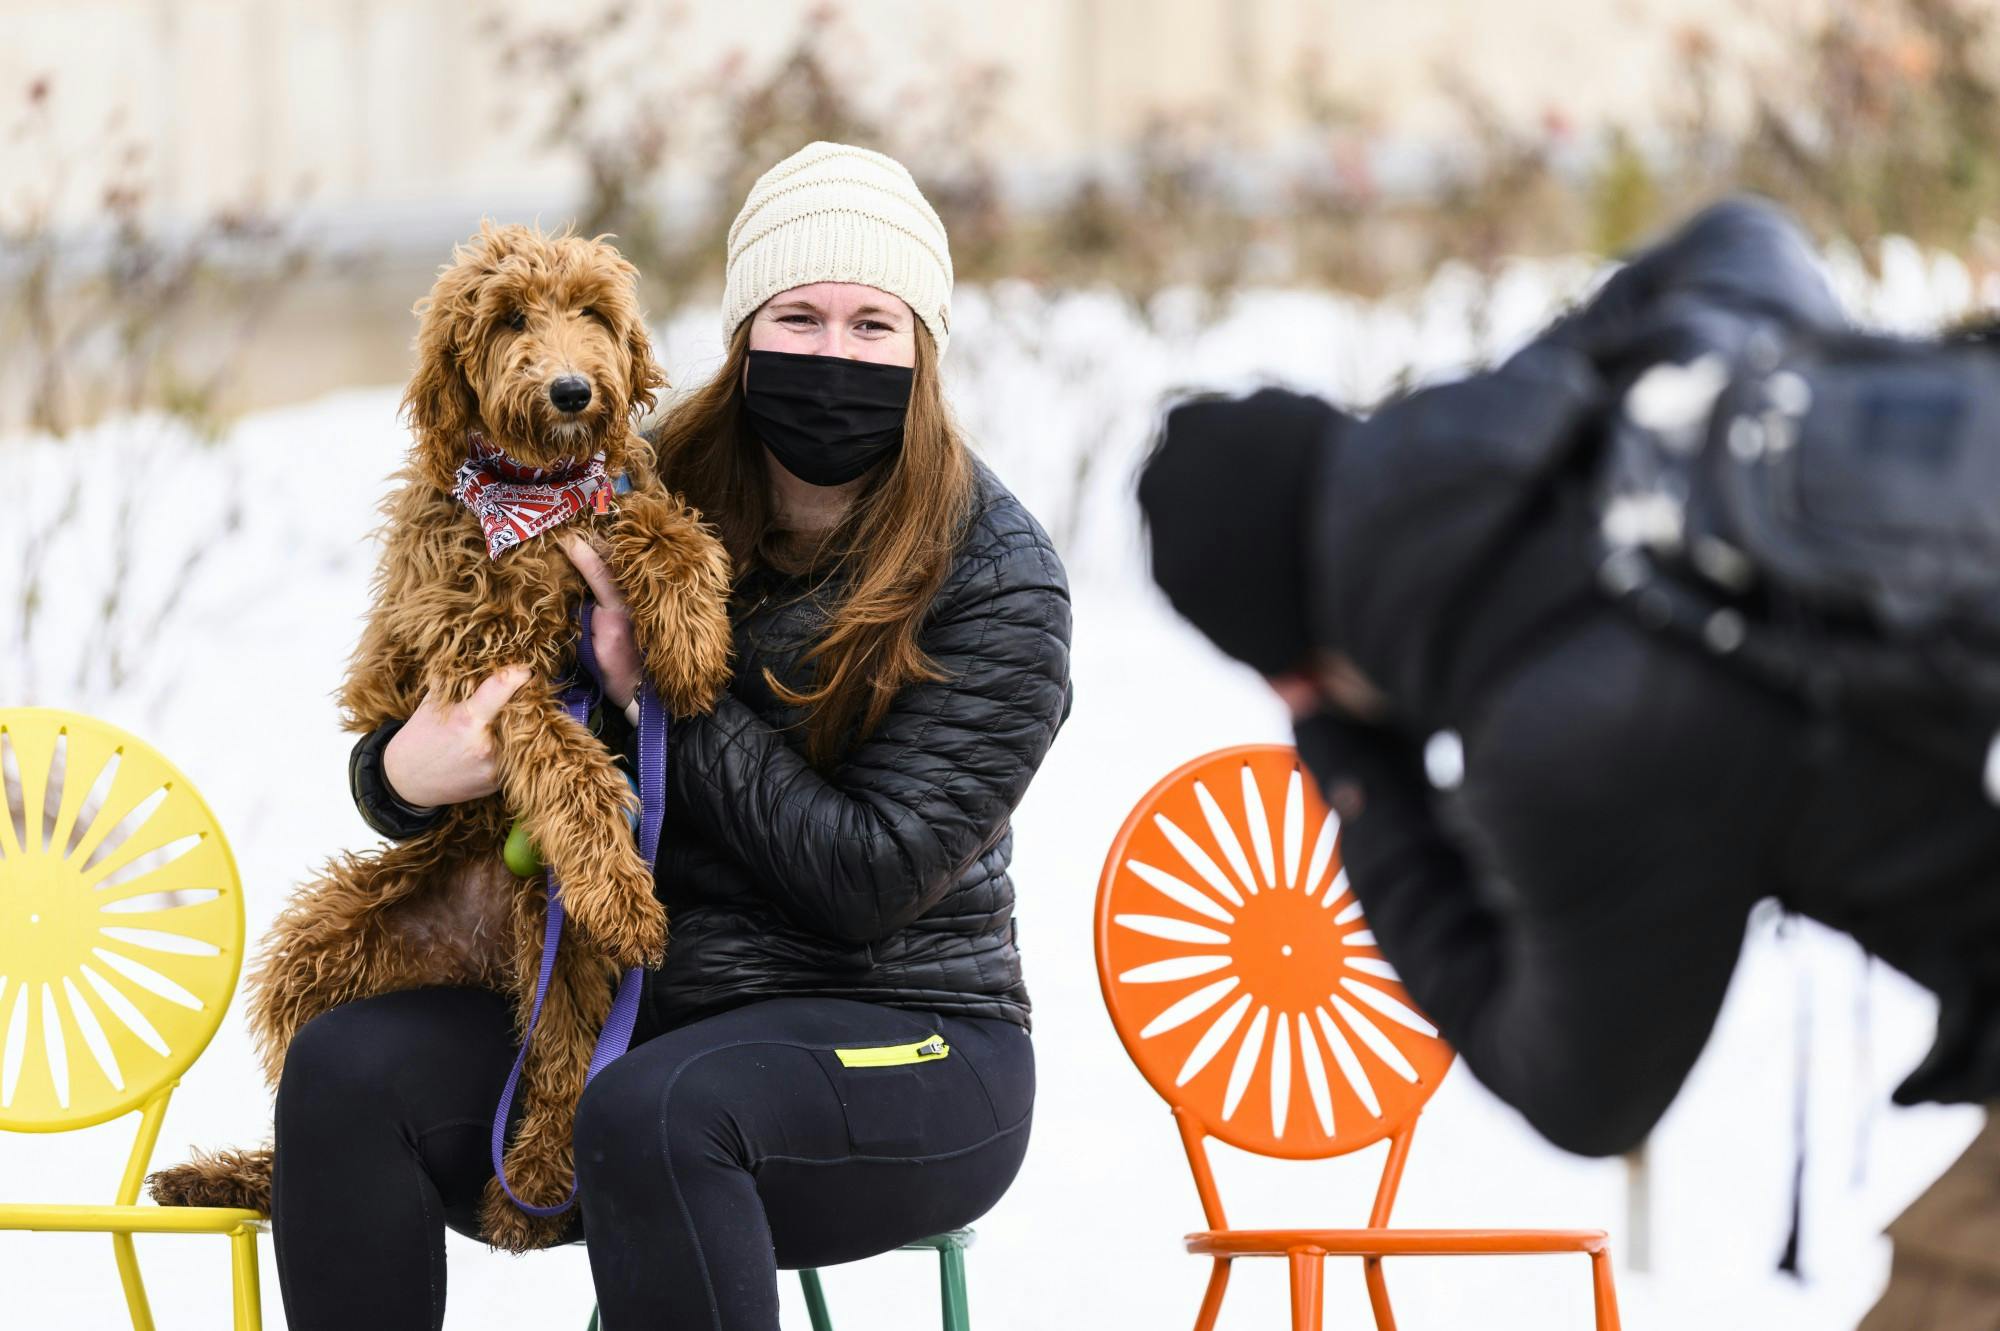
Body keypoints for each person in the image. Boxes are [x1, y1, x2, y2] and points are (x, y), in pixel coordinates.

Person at [1138, 199, 2000, 1325]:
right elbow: (1741, 232)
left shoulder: (1563, 741)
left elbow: (1582, 1094)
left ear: (1295, 662)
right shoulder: (1670, 355)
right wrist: (1553, 367)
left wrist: (1357, 770)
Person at [274, 141, 1073, 1331]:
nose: (831, 353)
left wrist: (661, 701)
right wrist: (397, 773)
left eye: (873, 326)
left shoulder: (996, 578)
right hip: (645, 1008)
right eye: (797, 315)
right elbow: (458, 687)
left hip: (908, 1034)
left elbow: (868, 881)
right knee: (348, 1068)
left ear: (924, 351)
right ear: (744, 332)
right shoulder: (632, 479)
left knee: (657, 1111)